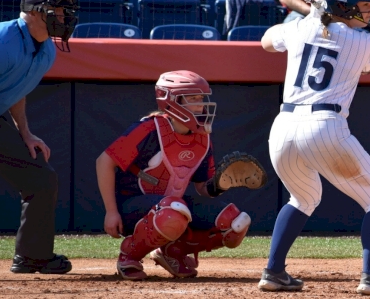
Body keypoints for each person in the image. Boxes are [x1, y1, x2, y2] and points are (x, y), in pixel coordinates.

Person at [257, 0, 370, 296]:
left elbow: (267, 41)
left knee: (303, 198)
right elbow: (365, 62)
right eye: (364, 4)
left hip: (282, 129)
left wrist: (307, 18)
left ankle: (273, 271)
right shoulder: (364, 41)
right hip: (324, 126)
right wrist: (319, 16)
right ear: (345, 6)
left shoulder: (300, 27)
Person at [95, 70, 254, 280]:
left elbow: (201, 188)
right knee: (172, 211)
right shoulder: (149, 129)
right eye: (194, 99)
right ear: (172, 101)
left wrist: (220, 185)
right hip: (133, 208)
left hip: (173, 208)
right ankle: (129, 255)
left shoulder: (202, 137)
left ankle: (172, 252)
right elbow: (104, 162)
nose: (201, 105)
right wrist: (111, 212)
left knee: (235, 223)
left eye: (202, 99)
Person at [0, 0, 79, 274]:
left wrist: (25, 133)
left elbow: (17, 90)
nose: (64, 17)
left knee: (40, 177)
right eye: (57, 10)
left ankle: (33, 256)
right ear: (34, 13)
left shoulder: (47, 49)